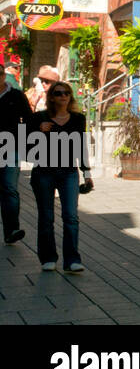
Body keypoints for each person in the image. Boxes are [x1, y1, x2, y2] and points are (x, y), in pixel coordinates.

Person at [30, 81, 92, 272]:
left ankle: (72, 259)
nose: (63, 96)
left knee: (71, 216)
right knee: (46, 217)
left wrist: (87, 173)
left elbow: (81, 147)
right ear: (51, 97)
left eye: (66, 93)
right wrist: (38, 132)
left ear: (70, 97)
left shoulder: (78, 119)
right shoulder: (39, 118)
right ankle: (48, 258)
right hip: (43, 172)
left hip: (68, 173)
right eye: (58, 93)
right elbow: (27, 147)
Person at [0, 72, 33, 245]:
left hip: (10, 148)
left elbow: (28, 119)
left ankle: (12, 230)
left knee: (9, 188)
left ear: (3, 75)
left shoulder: (16, 95)